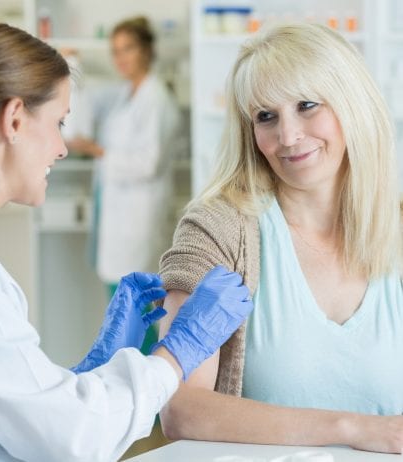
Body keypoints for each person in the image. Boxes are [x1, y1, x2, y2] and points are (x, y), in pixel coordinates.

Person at [0, 24, 254, 462]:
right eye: (59, 123)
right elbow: (71, 437)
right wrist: (177, 352)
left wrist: (93, 370)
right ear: (14, 119)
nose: (62, 148)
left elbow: (15, 412)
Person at [157, 22, 403, 454]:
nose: (287, 136)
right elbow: (180, 408)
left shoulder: (396, 224)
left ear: (353, 104)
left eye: (307, 105)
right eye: (265, 117)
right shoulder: (218, 230)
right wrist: (352, 428)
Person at [66, 16, 181, 297]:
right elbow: (86, 98)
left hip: (138, 219)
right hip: (120, 215)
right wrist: (71, 66)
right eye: (115, 51)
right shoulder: (124, 93)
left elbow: (148, 164)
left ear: (146, 50)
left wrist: (96, 150)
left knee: (135, 303)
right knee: (121, 299)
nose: (120, 58)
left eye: (128, 48)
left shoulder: (156, 99)